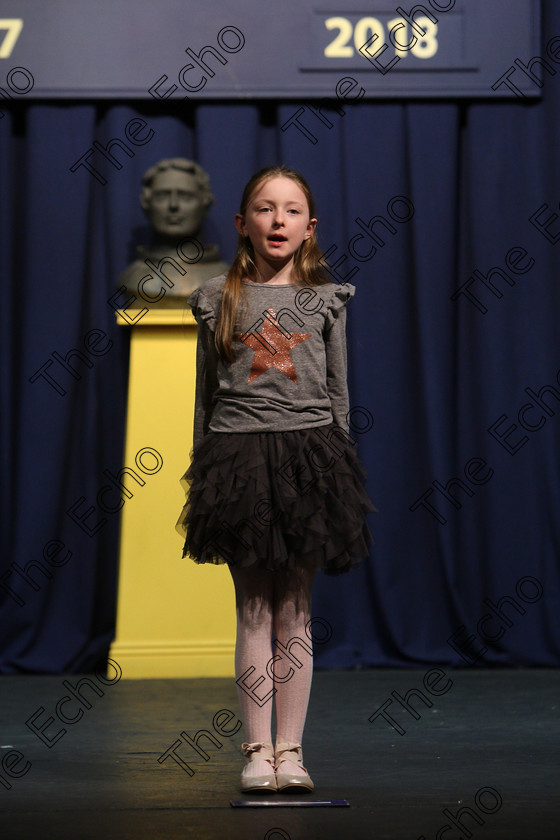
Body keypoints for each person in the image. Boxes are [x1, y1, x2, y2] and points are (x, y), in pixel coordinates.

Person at [175, 165, 376, 793]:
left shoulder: (326, 300)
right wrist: (203, 466)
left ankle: (292, 750)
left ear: (310, 228)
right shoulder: (218, 298)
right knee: (255, 608)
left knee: (296, 609)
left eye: (291, 211)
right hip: (238, 461)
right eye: (265, 209)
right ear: (243, 223)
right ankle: (256, 748)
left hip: (309, 462)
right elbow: (205, 395)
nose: (278, 221)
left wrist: (337, 466)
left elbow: (339, 393)